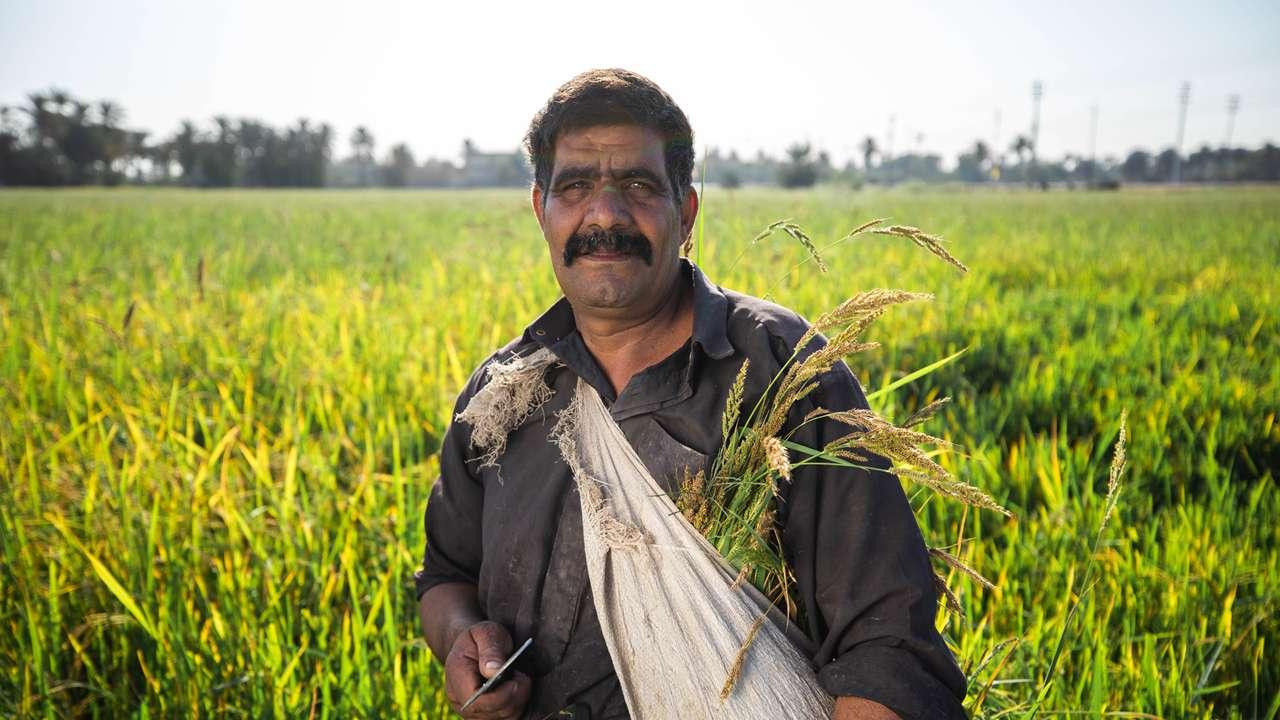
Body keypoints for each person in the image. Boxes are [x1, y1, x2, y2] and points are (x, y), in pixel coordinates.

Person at [415, 68, 967, 720]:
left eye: (639, 186)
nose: (606, 214)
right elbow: (447, 574)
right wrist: (460, 639)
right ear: (542, 210)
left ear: (687, 212)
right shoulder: (502, 392)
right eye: (575, 187)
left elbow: (889, 648)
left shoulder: (780, 374)